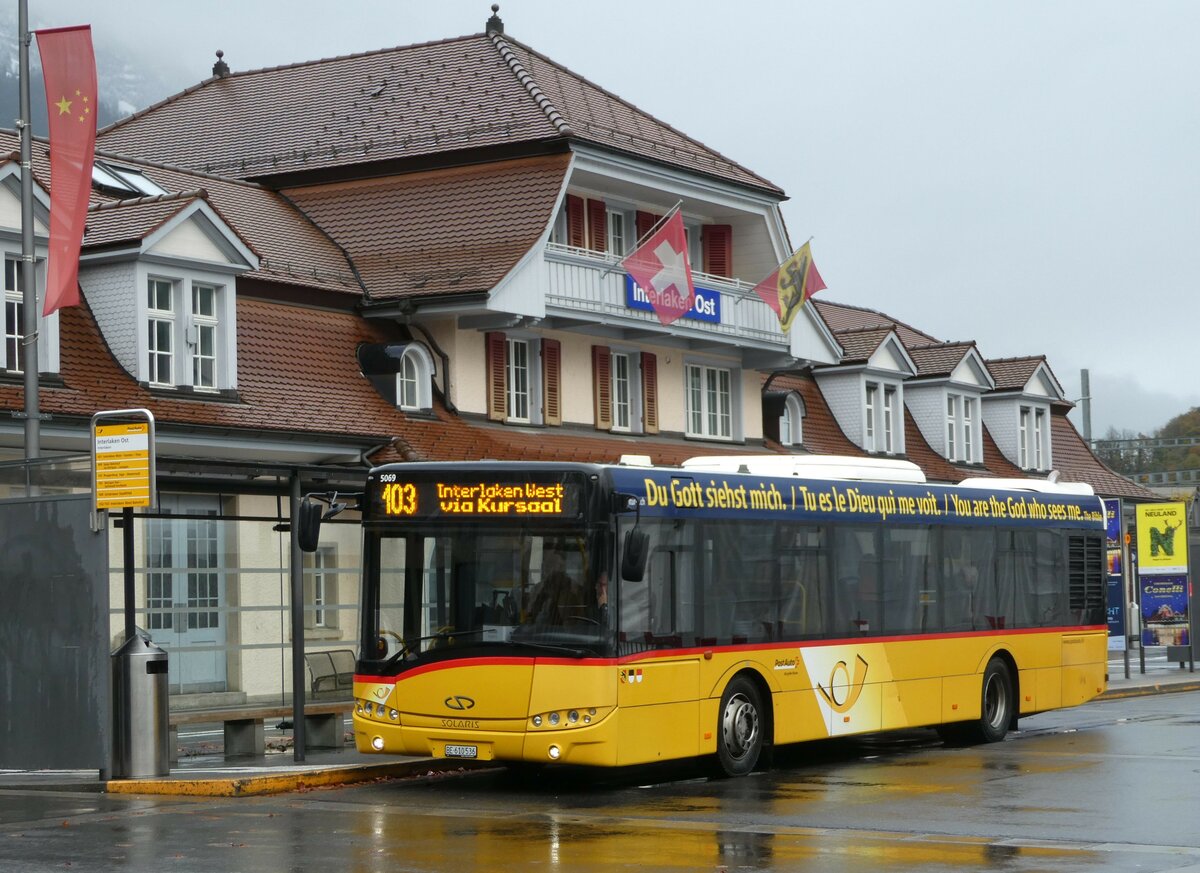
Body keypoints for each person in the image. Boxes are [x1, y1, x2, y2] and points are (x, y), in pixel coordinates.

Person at [528, 548, 582, 624]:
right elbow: (531, 613)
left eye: (553, 564)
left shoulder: (573, 588)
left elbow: (579, 616)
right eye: (547, 565)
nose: (550, 569)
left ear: (563, 567)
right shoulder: (538, 589)